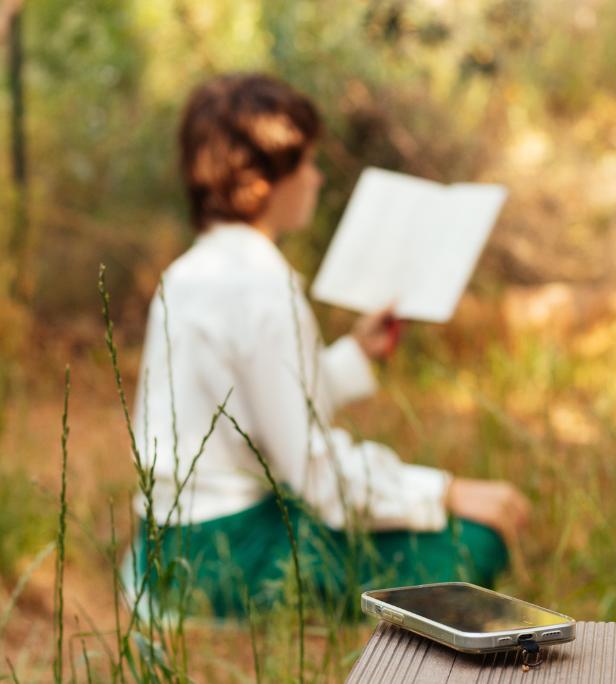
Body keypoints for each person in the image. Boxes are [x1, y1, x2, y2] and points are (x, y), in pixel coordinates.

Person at [130, 73, 530, 618]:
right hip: (227, 555)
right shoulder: (263, 285)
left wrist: (355, 354)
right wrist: (445, 492)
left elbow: (252, 409)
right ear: (262, 182)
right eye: (306, 164)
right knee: (476, 545)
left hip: (164, 544)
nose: (316, 179)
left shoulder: (188, 272)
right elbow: (316, 474)